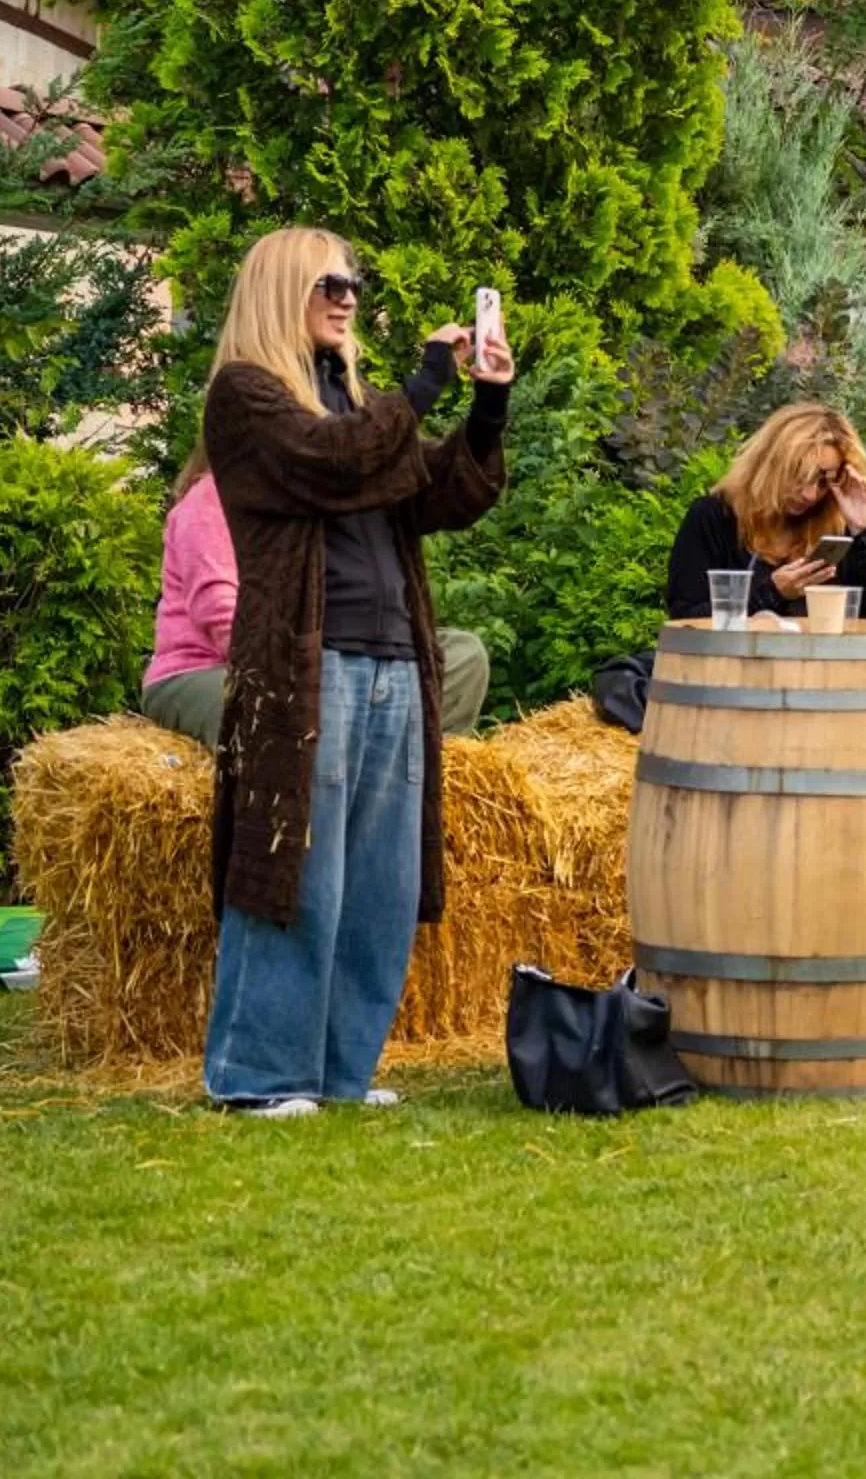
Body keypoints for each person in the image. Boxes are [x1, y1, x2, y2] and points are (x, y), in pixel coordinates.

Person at [197, 227, 512, 1118]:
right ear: (281, 291)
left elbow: (434, 495)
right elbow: (331, 463)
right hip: (309, 662)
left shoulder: (352, 398)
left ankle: (339, 1073)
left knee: (379, 886)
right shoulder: (247, 396)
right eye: (328, 284)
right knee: (294, 871)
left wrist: (487, 409)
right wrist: (424, 383)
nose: (347, 298)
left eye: (353, 285)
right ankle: (257, 1078)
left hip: (392, 659)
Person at [144, 456, 493, 744]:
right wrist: (309, 669)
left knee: (462, 655)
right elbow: (219, 611)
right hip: (206, 670)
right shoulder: (211, 498)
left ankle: (415, 776)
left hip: (317, 664)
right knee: (274, 710)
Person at [663, 403, 866, 625]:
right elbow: (686, 620)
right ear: (770, 464)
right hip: (734, 656)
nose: (810, 494)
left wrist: (863, 532)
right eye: (799, 475)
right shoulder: (715, 517)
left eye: (823, 482)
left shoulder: (835, 528)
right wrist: (772, 593)